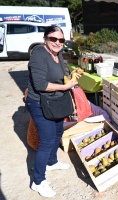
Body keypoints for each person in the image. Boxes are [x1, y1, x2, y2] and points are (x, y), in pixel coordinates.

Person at [25, 25, 81, 198]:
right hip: (40, 103)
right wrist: (65, 86)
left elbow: (62, 73)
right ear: (45, 39)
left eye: (61, 40)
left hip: (55, 102)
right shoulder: (39, 56)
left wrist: (72, 76)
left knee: (57, 132)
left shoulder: (57, 55)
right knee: (47, 140)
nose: (57, 42)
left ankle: (52, 161)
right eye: (53, 39)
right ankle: (38, 181)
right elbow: (41, 85)